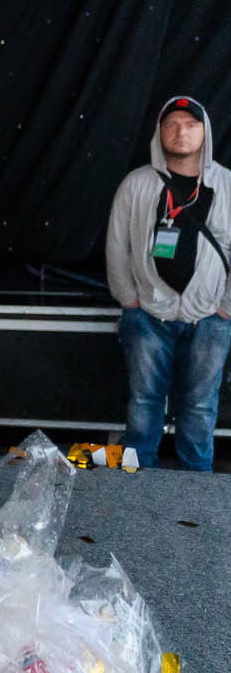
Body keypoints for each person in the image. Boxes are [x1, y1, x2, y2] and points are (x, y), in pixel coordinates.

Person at [106, 96, 231, 471]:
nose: (181, 133)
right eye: (172, 125)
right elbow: (118, 246)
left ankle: (196, 487)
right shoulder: (137, 184)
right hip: (147, 314)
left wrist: (226, 308)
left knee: (200, 407)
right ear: (159, 132)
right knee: (144, 402)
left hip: (210, 318)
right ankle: (137, 479)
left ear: (206, 133)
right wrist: (129, 300)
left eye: (191, 125)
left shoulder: (226, 185)